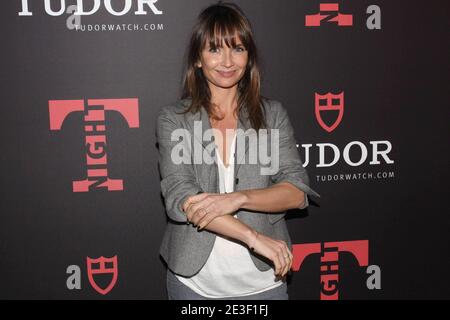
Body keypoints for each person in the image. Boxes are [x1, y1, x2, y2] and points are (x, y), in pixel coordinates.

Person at [156, 1, 320, 300]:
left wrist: (238, 198)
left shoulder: (272, 115)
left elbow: (296, 192)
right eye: (215, 49)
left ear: (249, 57)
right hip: (194, 287)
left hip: (264, 285)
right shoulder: (174, 119)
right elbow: (182, 200)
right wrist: (252, 237)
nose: (228, 61)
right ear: (197, 59)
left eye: (238, 48)